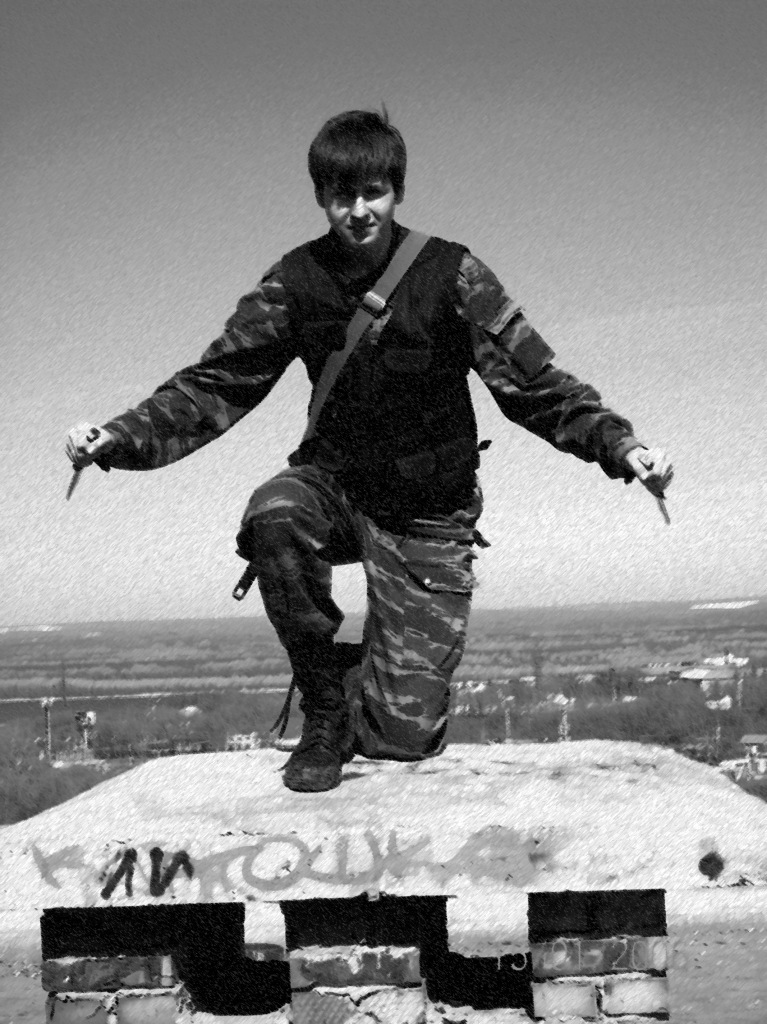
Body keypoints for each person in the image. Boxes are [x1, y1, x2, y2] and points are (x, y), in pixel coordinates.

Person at [66, 108, 673, 793]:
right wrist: (118, 437)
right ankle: (325, 705)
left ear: (397, 190)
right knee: (275, 513)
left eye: (373, 192)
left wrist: (621, 445)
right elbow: (218, 382)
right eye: (340, 195)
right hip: (334, 488)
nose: (357, 211)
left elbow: (532, 385)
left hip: (428, 507)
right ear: (320, 196)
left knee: (401, 740)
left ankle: (368, 684)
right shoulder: (294, 281)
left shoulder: (452, 273)